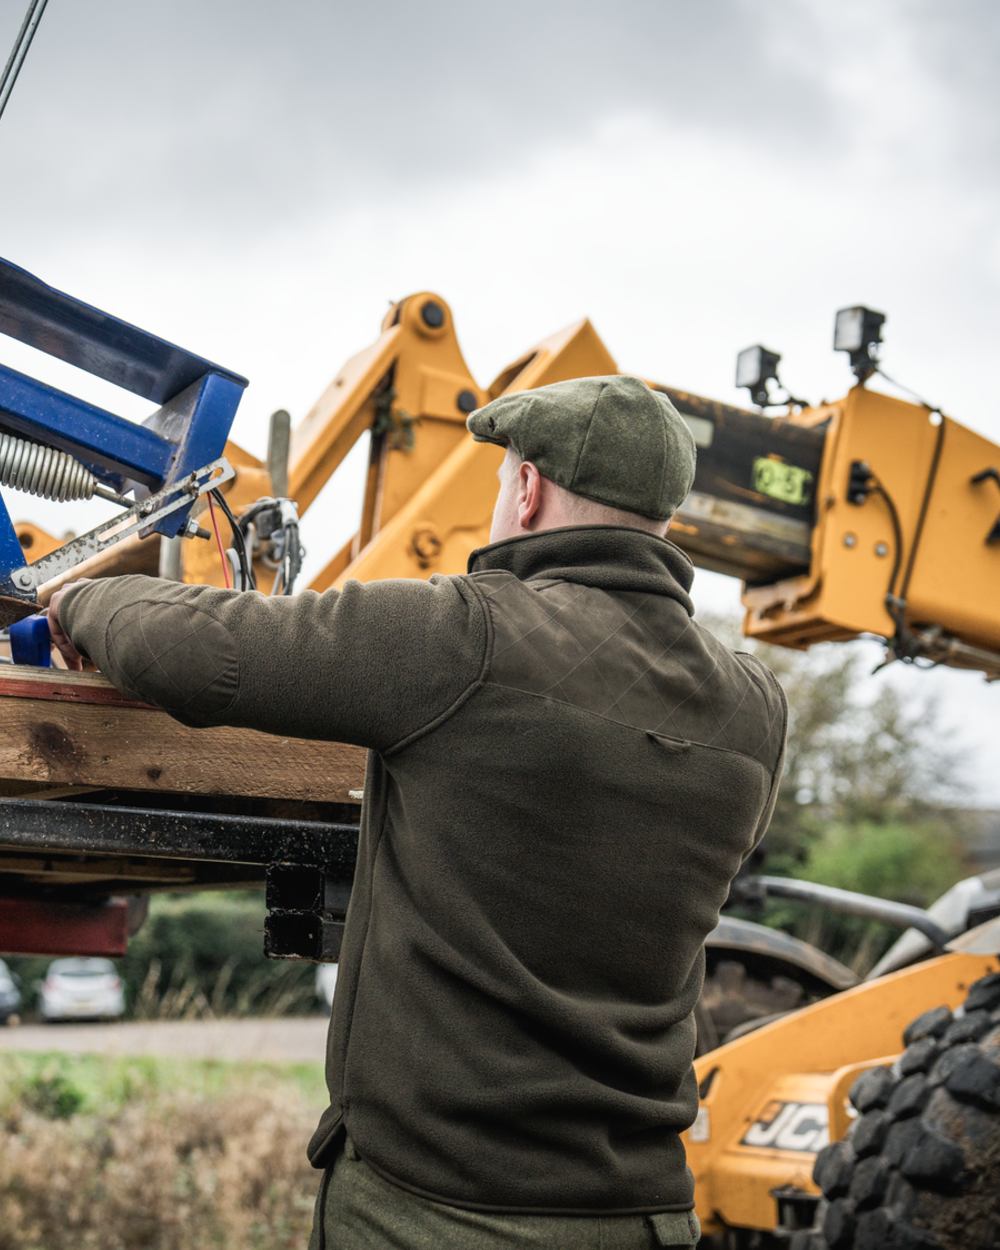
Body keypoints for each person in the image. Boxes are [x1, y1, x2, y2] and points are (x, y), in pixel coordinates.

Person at [49, 375, 787, 1250]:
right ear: (665, 516)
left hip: (438, 1209)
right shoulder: (755, 706)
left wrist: (82, 597)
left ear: (527, 487)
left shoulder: (468, 638)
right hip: (645, 1213)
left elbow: (201, 652)